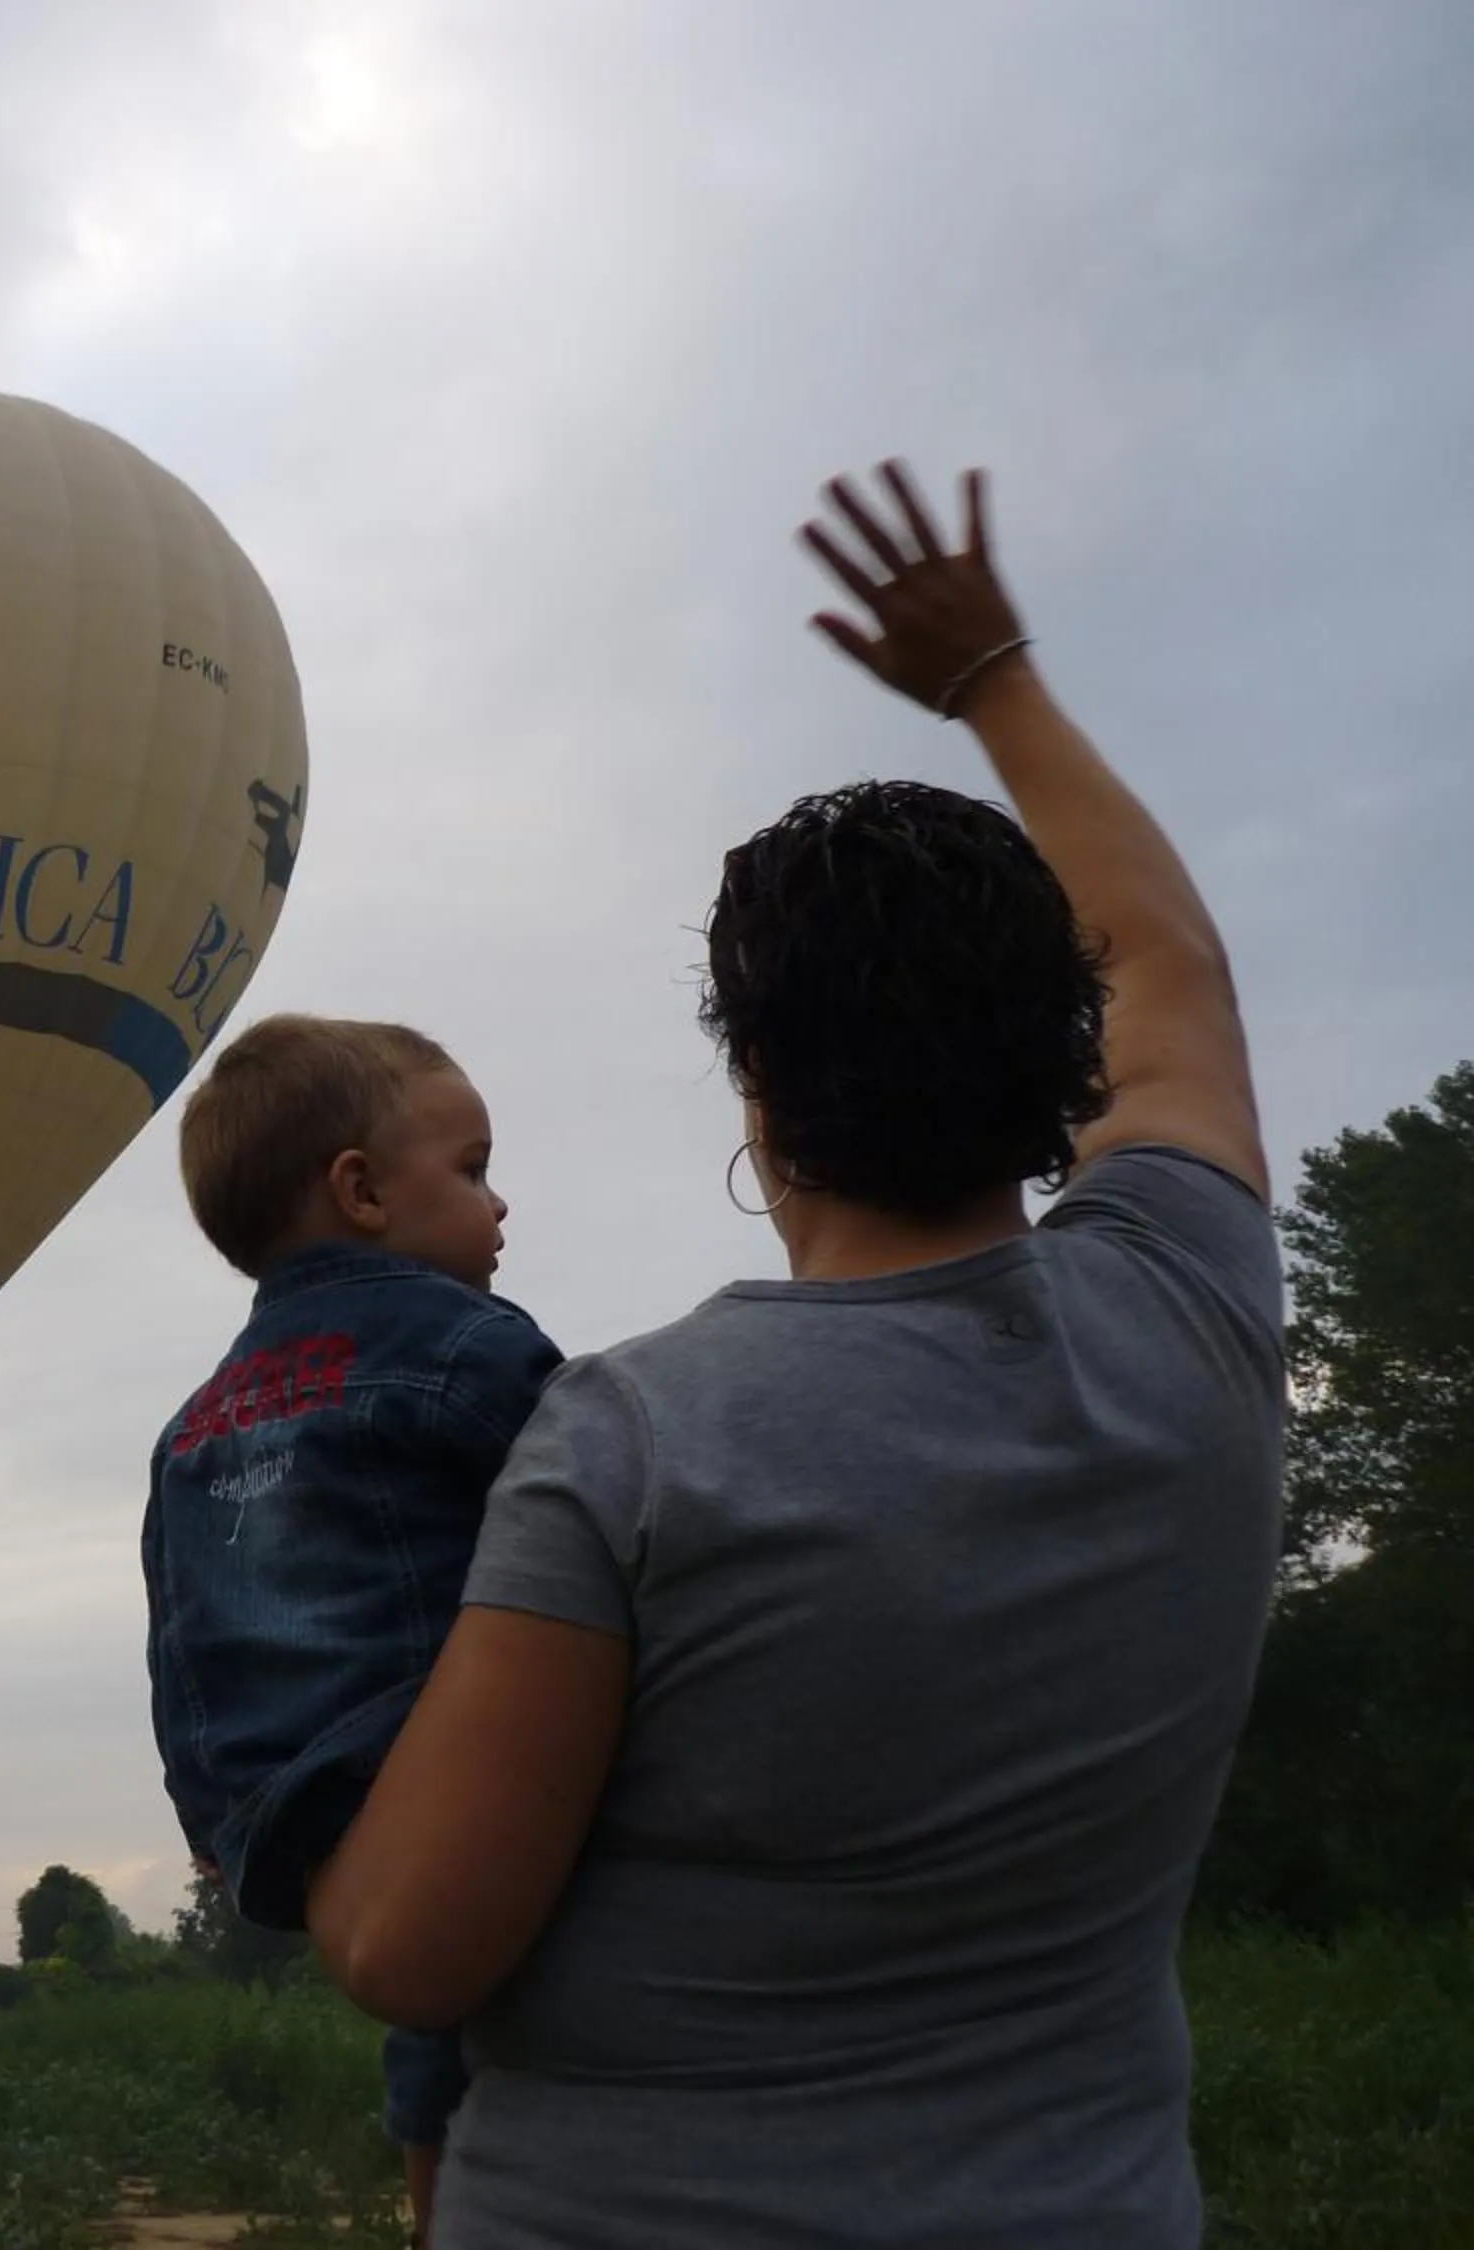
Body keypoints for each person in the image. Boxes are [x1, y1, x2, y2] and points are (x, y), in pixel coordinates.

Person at [303, 463, 1284, 2246]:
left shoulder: (628, 1446)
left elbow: (401, 1945)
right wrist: (997, 673)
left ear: (754, 1086)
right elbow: (1181, 972)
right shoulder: (1198, 1318)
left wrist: (277, 1761)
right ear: (1068, 1065)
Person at [140, 1013, 563, 2243]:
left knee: (433, 2026)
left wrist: (211, 1822)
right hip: (445, 1758)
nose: (498, 1208)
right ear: (363, 1191)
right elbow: (605, 1517)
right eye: (473, 1169)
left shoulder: (189, 1428)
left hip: (292, 1816)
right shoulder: (474, 1349)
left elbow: (180, 1638)